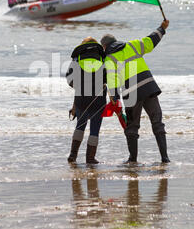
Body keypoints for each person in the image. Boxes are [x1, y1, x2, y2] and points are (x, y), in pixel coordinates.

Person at [101, 20, 170, 164]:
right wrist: (162, 28)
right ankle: (165, 158)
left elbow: (112, 79)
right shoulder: (132, 45)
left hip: (132, 92)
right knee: (157, 122)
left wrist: (114, 97)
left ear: (105, 46)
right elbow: (151, 41)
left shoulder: (109, 58)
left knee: (132, 126)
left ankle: (133, 159)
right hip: (149, 87)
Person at [66, 37, 106, 164]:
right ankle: (90, 158)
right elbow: (109, 78)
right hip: (98, 98)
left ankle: (73, 155)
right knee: (95, 129)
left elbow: (69, 79)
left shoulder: (76, 59)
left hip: (81, 97)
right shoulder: (102, 58)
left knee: (80, 125)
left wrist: (80, 87)